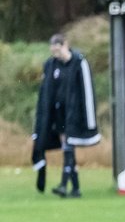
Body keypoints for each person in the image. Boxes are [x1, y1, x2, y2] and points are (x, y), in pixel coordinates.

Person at [32, 33, 100, 197]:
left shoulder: (78, 62)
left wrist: (88, 120)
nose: (56, 54)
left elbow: (87, 91)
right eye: (53, 51)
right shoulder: (51, 65)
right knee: (67, 148)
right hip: (59, 114)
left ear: (65, 45)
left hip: (74, 113)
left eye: (58, 50)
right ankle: (75, 189)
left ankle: (64, 184)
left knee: (69, 147)